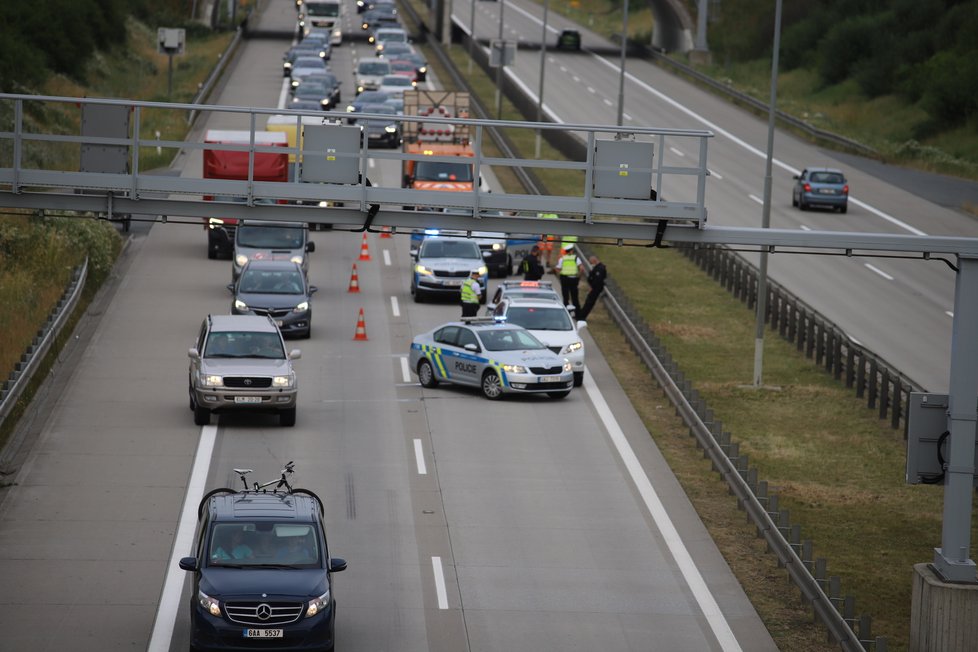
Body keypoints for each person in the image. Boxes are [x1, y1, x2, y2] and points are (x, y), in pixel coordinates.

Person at [552, 246, 581, 316]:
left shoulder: (562, 258)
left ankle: (566, 314)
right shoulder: (576, 258)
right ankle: (577, 314)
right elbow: (581, 268)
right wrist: (579, 276)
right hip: (573, 279)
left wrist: (560, 275)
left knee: (565, 297)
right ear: (571, 251)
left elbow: (557, 268)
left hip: (564, 279)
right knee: (575, 297)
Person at [576, 255, 607, 321]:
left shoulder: (600, 268)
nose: (590, 263)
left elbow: (598, 280)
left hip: (595, 289)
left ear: (594, 260)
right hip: (594, 288)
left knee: (589, 303)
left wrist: (592, 287)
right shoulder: (597, 267)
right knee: (588, 302)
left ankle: (582, 316)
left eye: (591, 262)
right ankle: (581, 315)